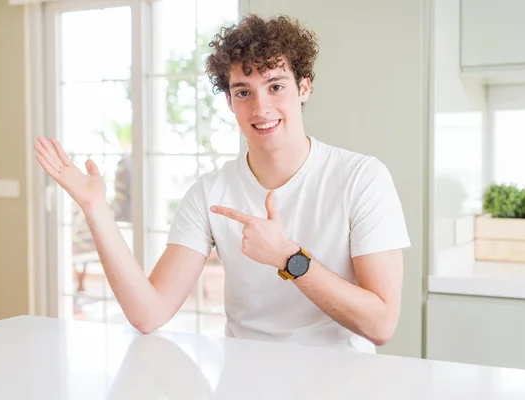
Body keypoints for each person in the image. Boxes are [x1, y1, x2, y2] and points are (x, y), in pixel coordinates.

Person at [34, 14, 410, 353]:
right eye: (244, 92)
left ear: (304, 88)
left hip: (343, 382)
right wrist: (96, 209)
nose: (260, 108)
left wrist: (288, 257)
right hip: (244, 381)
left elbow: (381, 325)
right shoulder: (209, 194)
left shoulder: (362, 178)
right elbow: (149, 313)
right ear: (230, 102)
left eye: (276, 86)